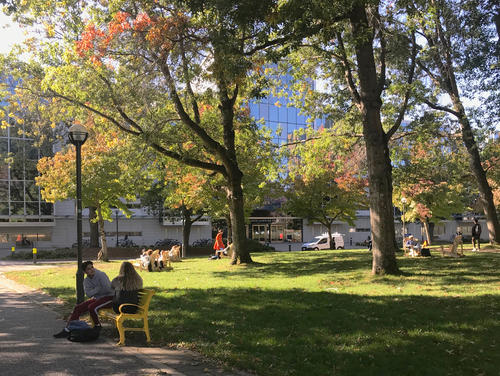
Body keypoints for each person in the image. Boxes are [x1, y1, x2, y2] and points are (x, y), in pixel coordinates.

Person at [53, 261, 114, 338]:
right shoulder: (86, 281)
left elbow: (108, 289)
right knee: (78, 308)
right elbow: (89, 294)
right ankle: (68, 329)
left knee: (92, 307)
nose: (92, 270)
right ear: (85, 272)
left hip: (109, 297)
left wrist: (95, 291)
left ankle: (97, 326)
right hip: (98, 298)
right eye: (89, 269)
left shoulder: (101, 275)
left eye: (92, 267)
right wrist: (98, 288)